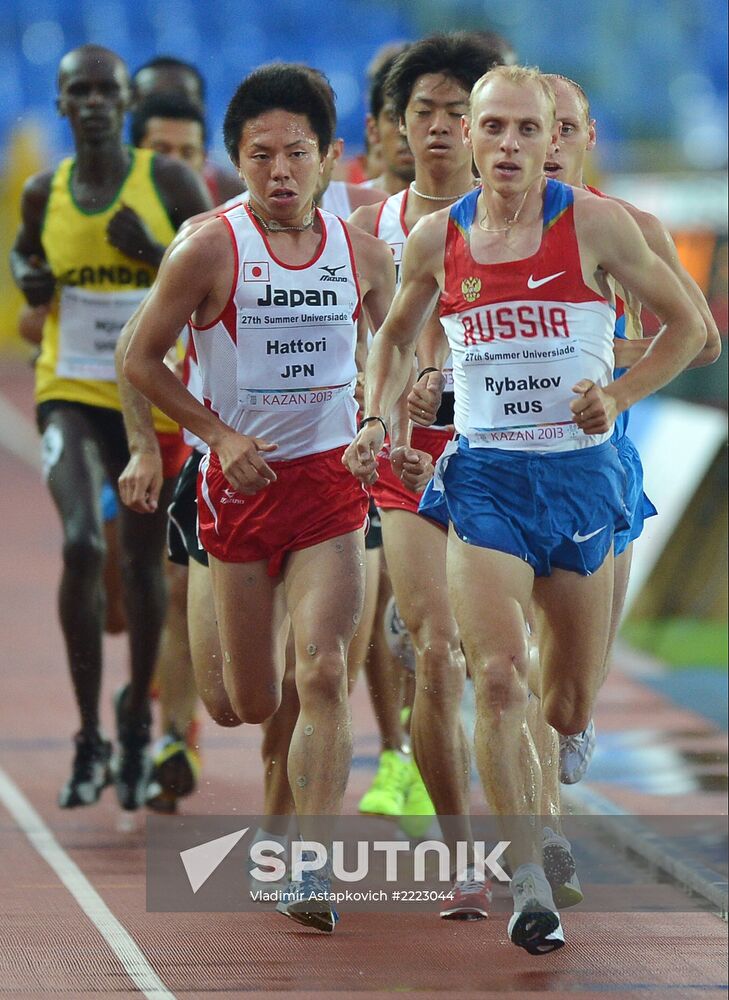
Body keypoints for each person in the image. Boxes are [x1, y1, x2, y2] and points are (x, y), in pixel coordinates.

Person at [344, 64, 705, 953]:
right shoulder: (435, 239)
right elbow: (391, 339)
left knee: (569, 701)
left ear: (556, 141)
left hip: (582, 479)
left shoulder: (600, 225)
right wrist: (376, 416)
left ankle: (561, 757)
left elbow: (692, 331)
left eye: (525, 131)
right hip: (486, 481)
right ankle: (528, 878)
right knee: (494, 674)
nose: (507, 146)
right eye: (491, 128)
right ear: (467, 137)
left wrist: (616, 396)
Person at [123, 62, 395, 933]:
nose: (280, 172)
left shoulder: (361, 252)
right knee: (240, 703)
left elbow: (403, 349)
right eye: (260, 155)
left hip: (328, 488)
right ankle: (238, 633)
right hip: (237, 491)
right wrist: (217, 435)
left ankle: (309, 868)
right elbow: (139, 360)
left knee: (321, 674)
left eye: (297, 154)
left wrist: (385, 419)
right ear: (235, 159)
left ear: (330, 157)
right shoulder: (208, 245)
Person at [9, 44, 212, 812]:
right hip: (69, 393)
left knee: (139, 567)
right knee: (79, 544)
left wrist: (151, 255)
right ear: (62, 104)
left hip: (152, 400)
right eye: (79, 91)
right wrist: (26, 272)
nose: (93, 102)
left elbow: (214, 278)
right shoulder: (42, 191)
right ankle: (89, 734)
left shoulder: (166, 181)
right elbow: (28, 259)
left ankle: (136, 725)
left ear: (124, 103)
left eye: (106, 91)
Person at [347, 31, 511, 917]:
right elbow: (372, 337)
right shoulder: (366, 227)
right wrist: (378, 412)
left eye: (461, 112)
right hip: (403, 461)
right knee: (438, 649)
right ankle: (460, 854)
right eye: (426, 113)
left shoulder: (532, 216)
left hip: (502, 458)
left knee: (511, 673)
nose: (443, 129)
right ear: (397, 127)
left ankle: (536, 816)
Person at [540, 73, 722, 784]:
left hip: (595, 465)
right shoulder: (469, 229)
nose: (547, 144)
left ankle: (571, 711)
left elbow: (701, 339)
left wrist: (611, 367)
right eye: (532, 126)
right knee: (499, 663)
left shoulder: (628, 227)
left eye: (563, 128)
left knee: (570, 684)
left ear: (587, 139)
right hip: (494, 463)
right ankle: (525, 841)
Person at [125, 89, 217, 812]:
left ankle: (174, 734)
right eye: (161, 153)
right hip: (127, 425)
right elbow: (130, 349)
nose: (176, 165)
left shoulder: (224, 228)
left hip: (203, 433)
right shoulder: (106, 218)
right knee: (124, 594)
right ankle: (160, 704)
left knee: (182, 587)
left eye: (188, 151)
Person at [131, 56, 244, 203]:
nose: (169, 106)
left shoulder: (232, 195)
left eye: (181, 98)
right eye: (153, 100)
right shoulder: (106, 186)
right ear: (129, 105)